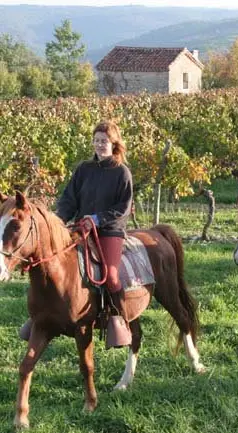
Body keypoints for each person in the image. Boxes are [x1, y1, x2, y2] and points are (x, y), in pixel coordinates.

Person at [20, 120, 133, 347]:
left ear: (114, 144)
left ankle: (119, 319)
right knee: (53, 262)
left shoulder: (122, 173)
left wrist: (98, 219)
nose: (100, 145)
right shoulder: (84, 169)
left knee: (110, 276)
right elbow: (69, 199)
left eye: (105, 141)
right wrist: (58, 222)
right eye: (97, 141)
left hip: (110, 231)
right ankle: (41, 315)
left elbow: (124, 207)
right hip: (81, 228)